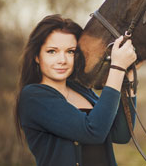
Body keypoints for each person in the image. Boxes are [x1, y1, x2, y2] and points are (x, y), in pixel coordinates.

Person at [14, 14, 137, 166]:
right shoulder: (33, 97)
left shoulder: (82, 90)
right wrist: (117, 68)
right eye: (52, 51)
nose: (62, 60)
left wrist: (128, 80)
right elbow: (93, 131)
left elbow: (121, 134)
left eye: (70, 51)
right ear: (37, 57)